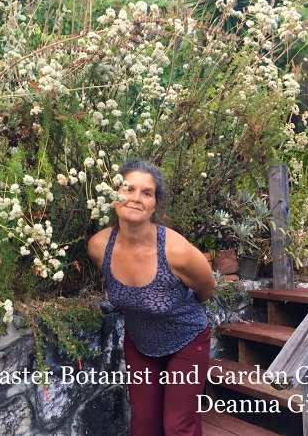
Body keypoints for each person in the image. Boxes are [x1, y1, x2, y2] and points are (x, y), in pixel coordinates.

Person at [88, 159, 216, 436]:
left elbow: (207, 289)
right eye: (128, 189)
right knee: (143, 426)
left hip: (186, 340)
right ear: (114, 197)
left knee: (177, 427)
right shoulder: (99, 247)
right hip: (141, 343)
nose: (136, 198)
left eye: (147, 193)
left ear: (155, 205)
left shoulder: (176, 250)